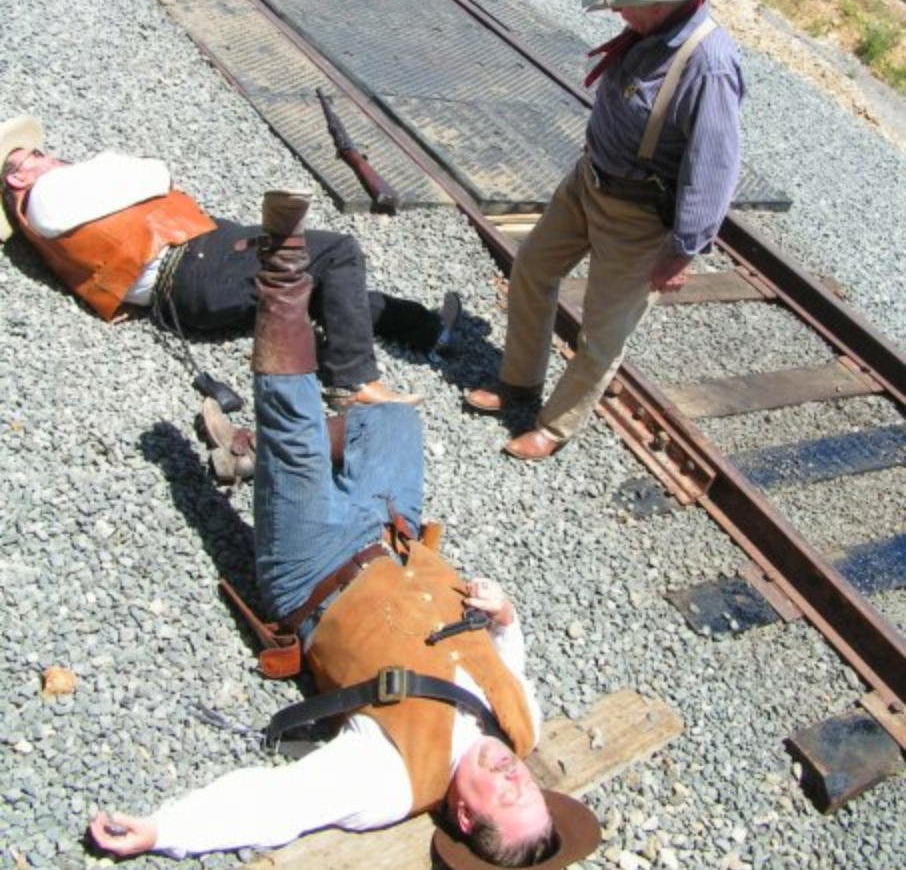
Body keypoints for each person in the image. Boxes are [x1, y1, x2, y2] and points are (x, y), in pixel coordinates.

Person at [87, 190, 600, 867]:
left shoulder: (392, 780)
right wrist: (504, 615)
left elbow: (283, 804)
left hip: (314, 571)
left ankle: (282, 263)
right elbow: (512, 656)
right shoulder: (520, 727)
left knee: (296, 420)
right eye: (527, 788)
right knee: (391, 420)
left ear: (465, 813)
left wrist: (163, 830)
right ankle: (253, 454)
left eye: (506, 797)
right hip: (393, 535)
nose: (514, 776)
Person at [465, 0, 743, 460]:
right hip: (588, 181)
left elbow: (714, 168)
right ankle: (520, 383)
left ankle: (555, 426)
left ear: (666, 1)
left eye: (626, 2)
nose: (617, 10)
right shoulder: (649, 33)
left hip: (639, 216)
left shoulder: (710, 66)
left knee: (603, 330)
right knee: (533, 268)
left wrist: (683, 249)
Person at [0, 115, 462, 410]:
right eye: (33, 156)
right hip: (194, 266)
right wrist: (102, 164)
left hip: (195, 270)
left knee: (320, 284)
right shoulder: (47, 195)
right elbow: (155, 172)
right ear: (18, 177)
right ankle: (353, 381)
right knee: (337, 251)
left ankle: (428, 331)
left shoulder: (52, 202)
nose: (48, 156)